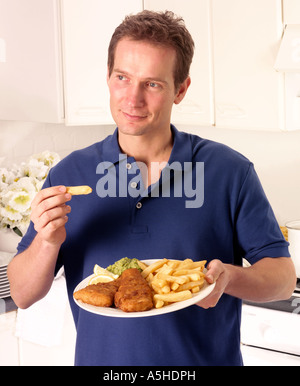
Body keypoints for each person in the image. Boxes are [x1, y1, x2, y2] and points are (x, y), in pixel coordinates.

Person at [8, 10, 296, 366]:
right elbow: (22, 294)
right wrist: (47, 241)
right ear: (108, 77)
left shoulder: (229, 171)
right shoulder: (71, 175)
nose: (133, 99)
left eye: (153, 84)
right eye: (122, 78)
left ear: (181, 89)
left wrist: (229, 278)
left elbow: (283, 280)